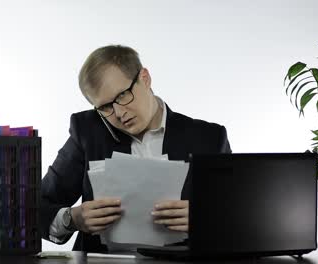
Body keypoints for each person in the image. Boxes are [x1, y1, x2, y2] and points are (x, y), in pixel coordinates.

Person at [40, 45, 231, 253]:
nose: (120, 113)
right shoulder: (87, 132)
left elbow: (239, 216)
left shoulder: (208, 137)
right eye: (105, 107)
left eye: (122, 95)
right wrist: (72, 219)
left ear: (145, 78)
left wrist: (205, 219)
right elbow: (37, 207)